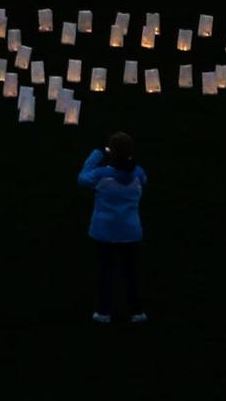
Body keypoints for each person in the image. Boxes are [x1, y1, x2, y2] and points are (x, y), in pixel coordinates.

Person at [78, 132, 148, 325]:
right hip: (130, 232)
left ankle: (103, 312)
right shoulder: (139, 173)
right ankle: (137, 312)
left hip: (104, 232)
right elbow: (143, 179)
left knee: (104, 273)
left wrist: (98, 154)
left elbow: (82, 177)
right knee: (131, 274)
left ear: (111, 151)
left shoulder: (101, 175)